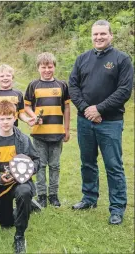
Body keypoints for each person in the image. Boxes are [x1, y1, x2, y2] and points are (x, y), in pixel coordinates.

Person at [69, 20, 133, 225]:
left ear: (111, 36)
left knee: (113, 165)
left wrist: (99, 109)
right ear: (91, 36)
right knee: (87, 162)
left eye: (103, 34)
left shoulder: (122, 59)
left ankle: (117, 208)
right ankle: (89, 198)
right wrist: (87, 110)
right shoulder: (82, 59)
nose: (99, 38)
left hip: (110, 122)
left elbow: (124, 91)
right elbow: (73, 86)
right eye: (95, 34)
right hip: (84, 121)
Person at [0, 100, 40, 254]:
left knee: (24, 192)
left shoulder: (23, 139)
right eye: (2, 118)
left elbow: (36, 160)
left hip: (20, 182)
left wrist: (26, 171)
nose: (6, 122)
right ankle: (26, 206)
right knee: (6, 223)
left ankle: (19, 236)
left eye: (9, 118)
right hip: (1, 185)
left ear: (15, 117)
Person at [24, 52, 71, 208]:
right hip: (39, 133)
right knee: (41, 165)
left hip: (57, 132)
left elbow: (66, 107)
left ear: (54, 67)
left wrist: (67, 129)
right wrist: (34, 115)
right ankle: (42, 195)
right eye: (43, 67)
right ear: (38, 68)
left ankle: (53, 195)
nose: (47, 70)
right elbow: (27, 106)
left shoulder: (62, 85)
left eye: (50, 67)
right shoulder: (33, 85)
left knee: (55, 165)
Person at [0, 64, 35, 138]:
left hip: (12, 134)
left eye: (8, 75)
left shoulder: (18, 94)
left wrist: (27, 119)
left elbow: (20, 113)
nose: (5, 78)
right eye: (2, 76)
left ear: (12, 78)